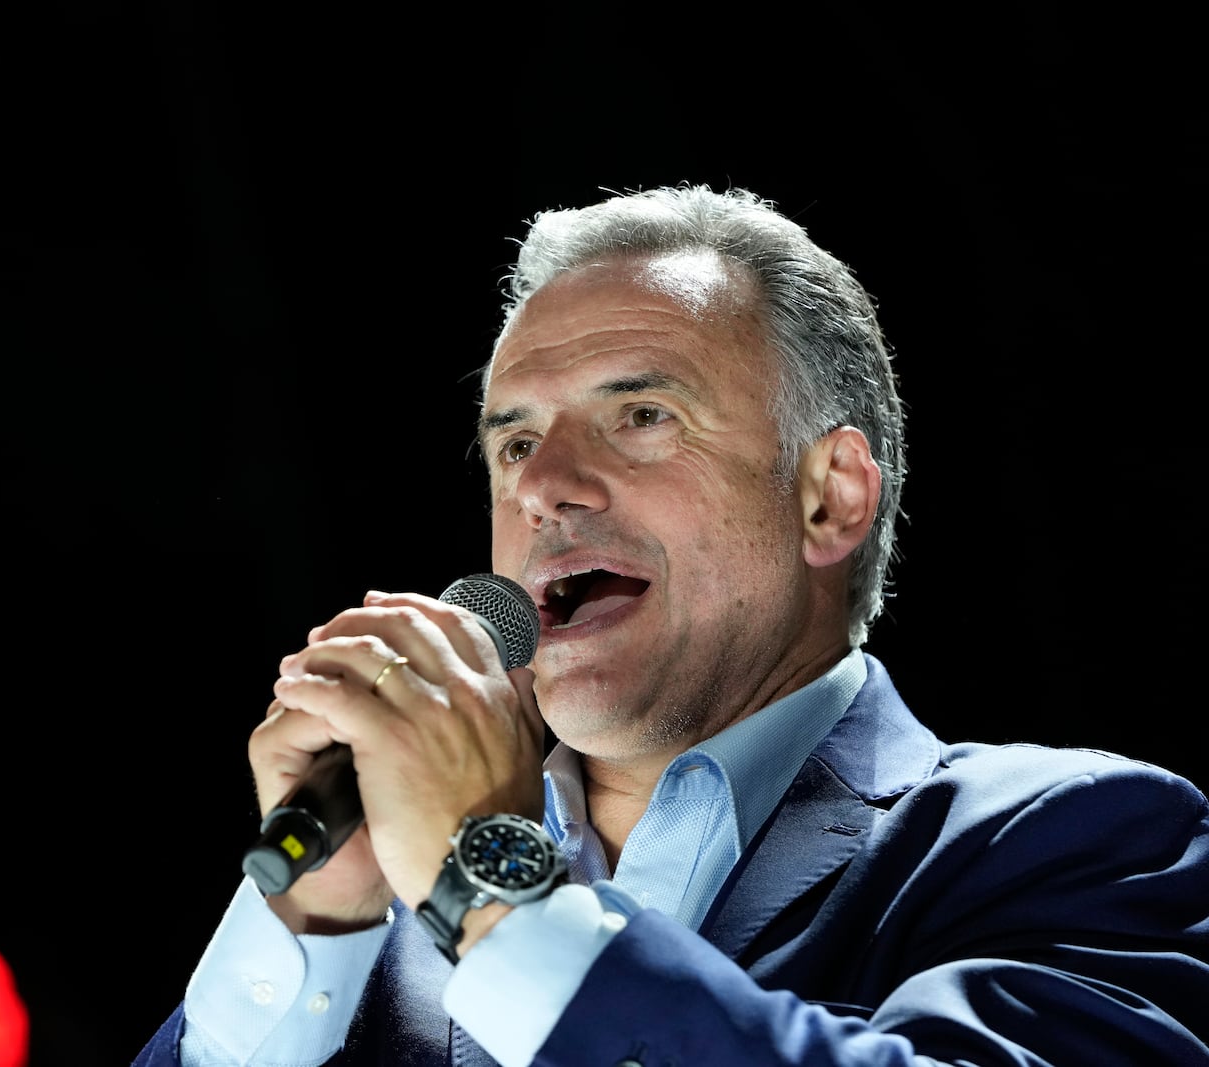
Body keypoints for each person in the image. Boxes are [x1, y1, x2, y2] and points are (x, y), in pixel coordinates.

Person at [134, 184, 1209, 1065]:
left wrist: (491, 884)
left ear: (829, 495)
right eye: (512, 444)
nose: (544, 486)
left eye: (640, 416)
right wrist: (316, 920)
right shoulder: (376, 917)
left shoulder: (1076, 841)